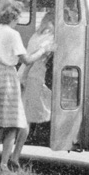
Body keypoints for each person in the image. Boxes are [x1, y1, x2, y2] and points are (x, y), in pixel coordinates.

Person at [0, 0, 55, 172]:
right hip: (8, 76)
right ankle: (4, 164)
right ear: (15, 16)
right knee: (12, 123)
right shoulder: (13, 34)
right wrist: (42, 51)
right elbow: (26, 60)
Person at [12, 11, 56, 166]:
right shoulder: (50, 38)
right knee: (27, 118)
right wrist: (25, 77)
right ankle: (15, 156)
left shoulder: (36, 35)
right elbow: (33, 60)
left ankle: (14, 154)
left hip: (26, 74)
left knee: (23, 116)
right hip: (33, 77)